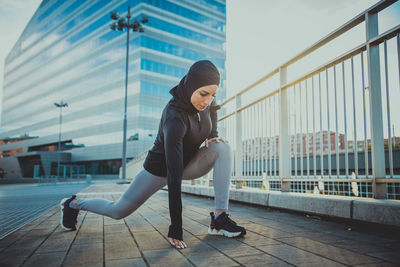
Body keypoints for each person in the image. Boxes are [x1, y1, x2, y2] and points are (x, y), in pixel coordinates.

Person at [60, 60, 246, 249]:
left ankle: (219, 218)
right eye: (203, 94)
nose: (207, 101)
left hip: (187, 165)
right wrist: (176, 227)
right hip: (159, 171)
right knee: (117, 211)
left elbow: (213, 110)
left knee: (222, 147)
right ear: (191, 86)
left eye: (213, 94)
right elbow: (173, 176)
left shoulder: (206, 102)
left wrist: (213, 135)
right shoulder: (174, 117)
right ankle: (74, 204)